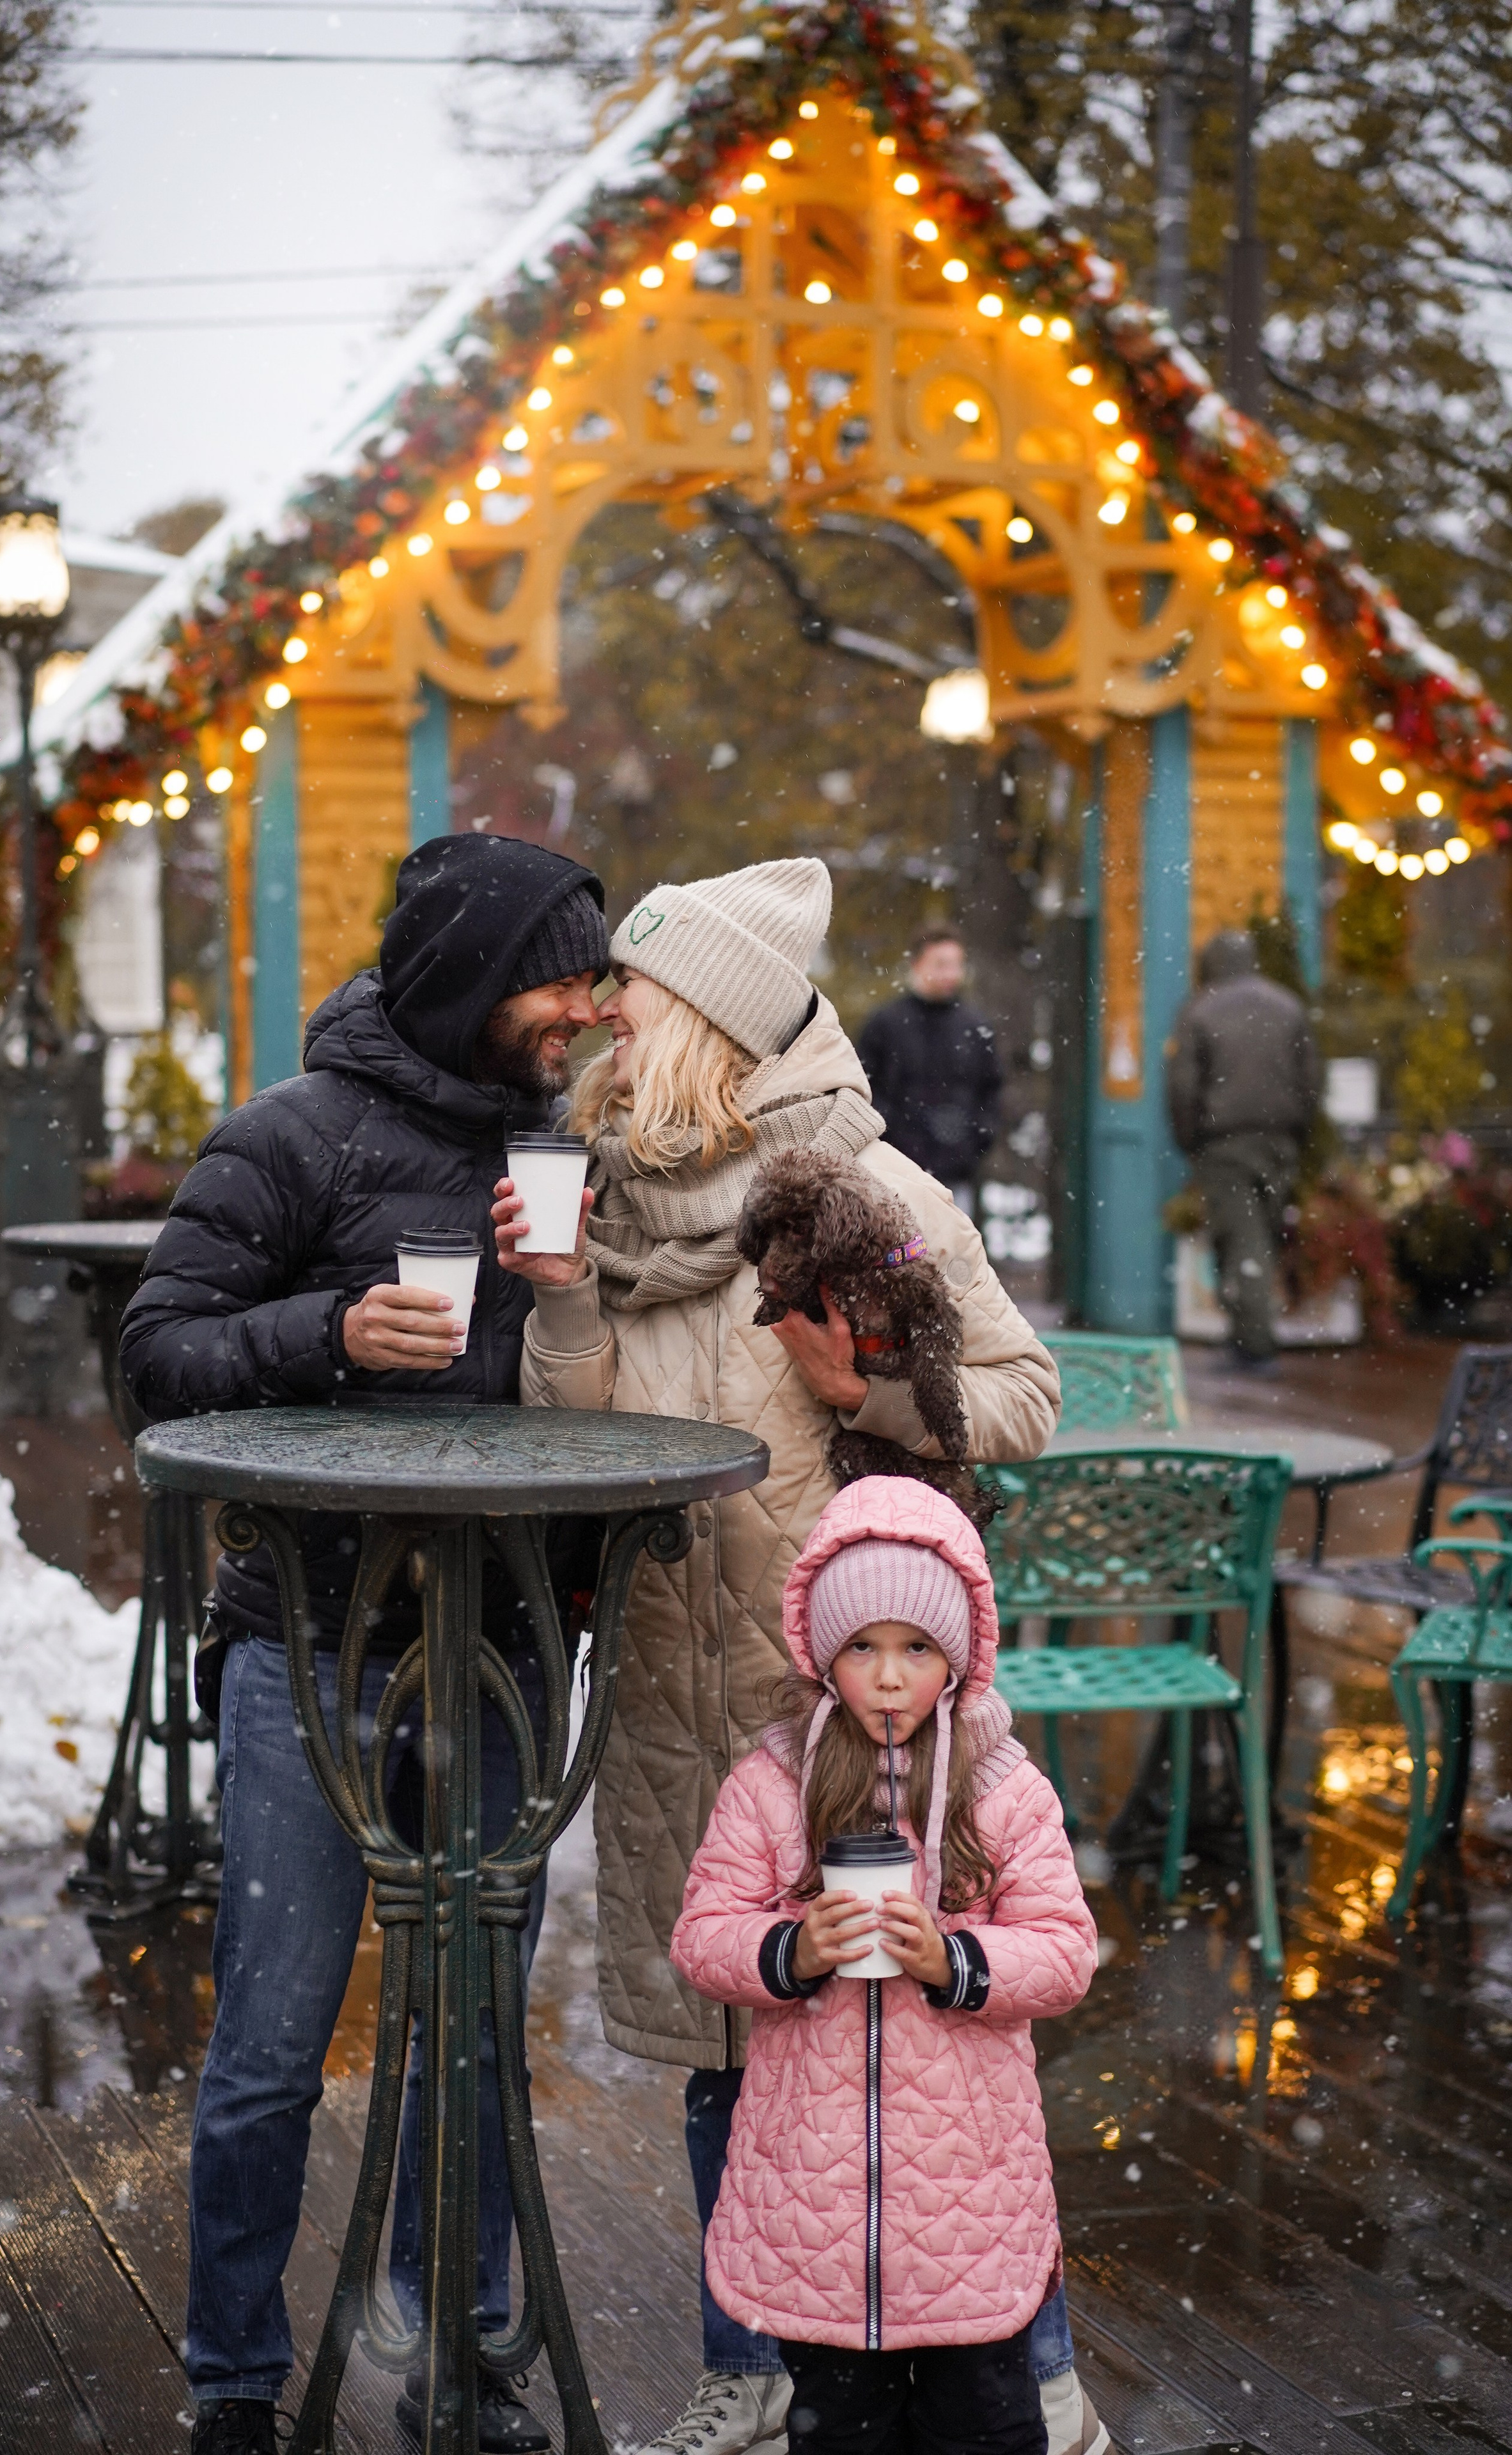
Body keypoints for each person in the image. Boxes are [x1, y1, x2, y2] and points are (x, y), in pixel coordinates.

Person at [492, 859, 1100, 2455]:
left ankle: (1028, 2360)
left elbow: (1023, 1393)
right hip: (671, 1692)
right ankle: (746, 2363)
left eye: (635, 987)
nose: (606, 1013)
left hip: (855, 1711)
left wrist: (866, 1394)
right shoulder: (600, 1199)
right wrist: (558, 1304)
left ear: (703, 1015)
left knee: (935, 2052)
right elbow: (576, 1447)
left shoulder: (864, 1193)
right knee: (728, 2049)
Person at [119, 832, 611, 2455]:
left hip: (500, 1660)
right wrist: (322, 1333)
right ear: (470, 977)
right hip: (308, 1652)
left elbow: (600, 1393)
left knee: (474, 2037)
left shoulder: (565, 1142)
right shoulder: (292, 1137)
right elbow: (158, 1352)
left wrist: (568, 1294)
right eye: (560, 974)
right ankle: (236, 2383)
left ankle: (462, 2352)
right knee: (268, 2040)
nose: (585, 1006)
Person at [670, 1474, 1096, 2455]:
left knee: (985, 2425)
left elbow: (1065, 1951)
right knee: (842, 2430)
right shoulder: (773, 1781)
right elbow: (704, 1933)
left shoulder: (1002, 1790)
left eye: (917, 1648)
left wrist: (957, 1960)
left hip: (968, 2199)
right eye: (863, 1647)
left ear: (958, 1657)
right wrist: (790, 1948)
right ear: (825, 1655)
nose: (891, 1676)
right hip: (812, 2193)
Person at [1166, 930, 1320, 1371]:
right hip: (1280, 1141)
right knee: (1263, 1235)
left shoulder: (1199, 1011)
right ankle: (1249, 1334)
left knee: (1242, 1239)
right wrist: (1297, 1132)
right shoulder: (1288, 1006)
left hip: (1225, 1142)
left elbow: (1182, 1088)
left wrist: (1190, 1139)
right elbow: (1311, 1079)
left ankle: (1254, 1345)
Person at [856, 926, 1002, 1215]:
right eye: (941, 964)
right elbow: (863, 1088)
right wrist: (893, 1137)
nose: (951, 974)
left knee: (955, 1256)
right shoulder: (885, 1025)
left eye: (957, 965)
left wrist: (975, 1140)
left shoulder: (975, 1026)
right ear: (916, 964)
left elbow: (992, 1090)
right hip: (895, 1174)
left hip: (957, 1176)